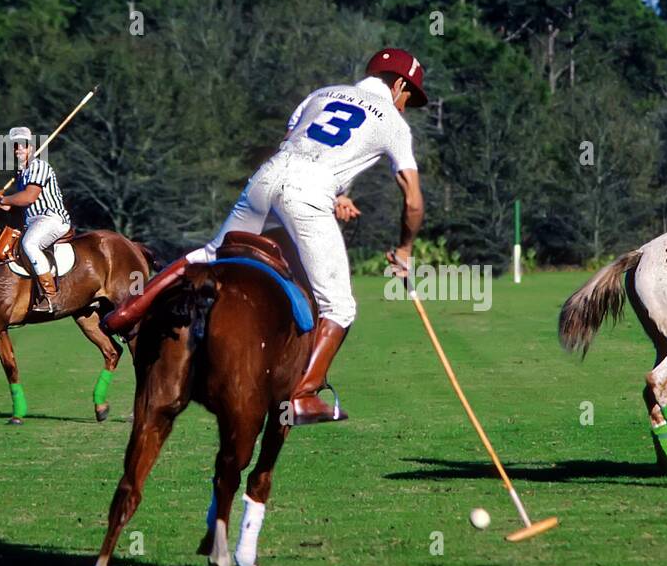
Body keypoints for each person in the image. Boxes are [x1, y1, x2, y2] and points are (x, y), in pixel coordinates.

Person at [102, 47, 428, 424]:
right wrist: (405, 250)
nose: (405, 105)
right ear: (399, 83)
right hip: (311, 191)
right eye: (409, 96)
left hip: (269, 174)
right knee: (340, 306)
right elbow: (414, 201)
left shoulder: (323, 94)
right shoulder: (392, 122)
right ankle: (305, 394)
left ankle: (129, 311)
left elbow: (294, 142)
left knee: (210, 252)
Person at [0, 127, 71, 313]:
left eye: (22, 145)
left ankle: (50, 296)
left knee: (29, 244)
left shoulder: (39, 166)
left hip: (52, 218)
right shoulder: (21, 173)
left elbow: (29, 197)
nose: (18, 149)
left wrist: (2, 199)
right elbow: (15, 205)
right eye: (14, 146)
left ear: (31, 147)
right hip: (33, 221)